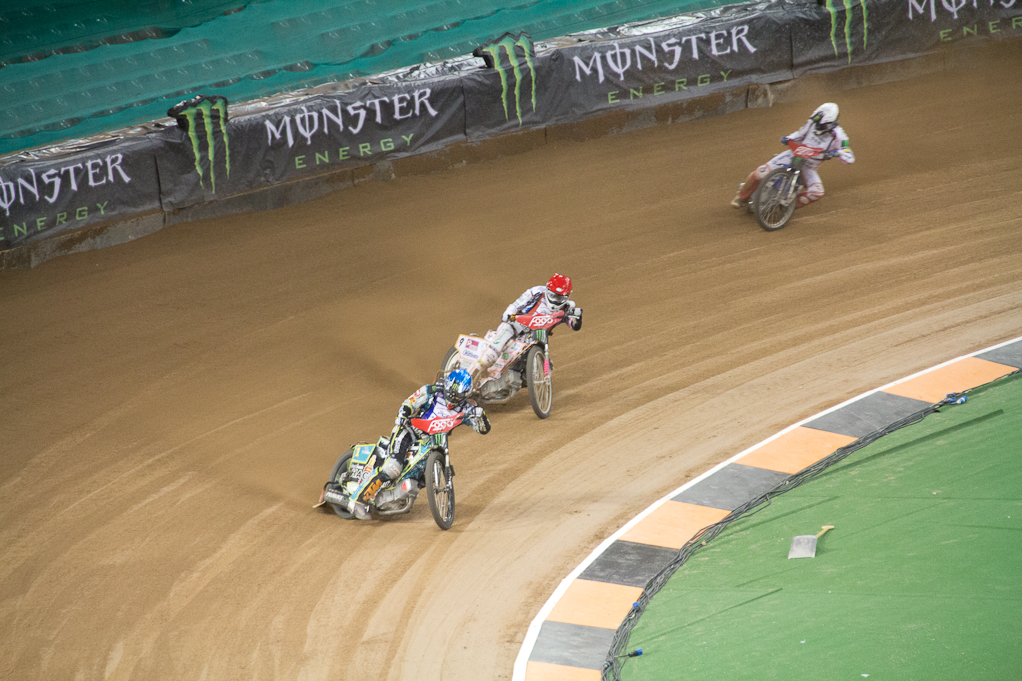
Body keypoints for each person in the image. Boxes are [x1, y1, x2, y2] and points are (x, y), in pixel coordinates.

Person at [346, 369, 490, 519]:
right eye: (451, 393)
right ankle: (357, 500)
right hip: (410, 432)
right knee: (393, 467)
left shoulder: (467, 408)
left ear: (465, 395)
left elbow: (483, 429)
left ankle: (390, 498)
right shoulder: (432, 391)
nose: (452, 398)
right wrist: (403, 414)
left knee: (423, 478)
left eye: (457, 396)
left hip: (432, 442)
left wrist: (481, 416)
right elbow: (410, 402)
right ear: (447, 385)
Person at [731, 102, 855, 210]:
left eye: (821, 125)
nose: (817, 126)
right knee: (760, 172)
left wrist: (838, 153)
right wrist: (788, 138)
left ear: (831, 123)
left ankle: (788, 207)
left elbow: (849, 155)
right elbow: (800, 134)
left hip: (809, 167)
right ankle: (741, 196)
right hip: (794, 155)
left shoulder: (840, 136)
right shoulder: (812, 122)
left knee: (817, 192)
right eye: (817, 122)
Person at [478, 274, 582, 371]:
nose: (556, 300)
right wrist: (508, 314)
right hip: (518, 325)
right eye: (553, 296)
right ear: (547, 290)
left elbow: (574, 325)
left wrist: (578, 318)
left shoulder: (567, 308)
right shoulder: (537, 292)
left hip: (536, 336)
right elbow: (517, 304)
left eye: (560, 298)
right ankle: (484, 361)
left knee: (536, 361)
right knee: (505, 330)